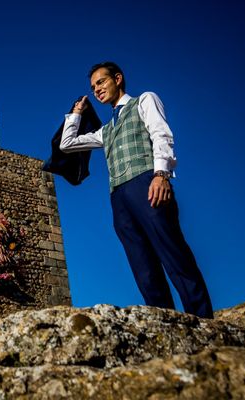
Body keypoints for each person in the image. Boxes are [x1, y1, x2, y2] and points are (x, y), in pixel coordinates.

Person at [59, 61, 213, 318]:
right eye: (93, 86)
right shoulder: (105, 130)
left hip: (147, 183)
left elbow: (161, 134)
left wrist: (161, 174)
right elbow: (68, 143)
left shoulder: (144, 100)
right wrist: (76, 113)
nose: (97, 90)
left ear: (117, 79)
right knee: (143, 268)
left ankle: (204, 320)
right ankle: (167, 325)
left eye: (101, 82)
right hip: (118, 198)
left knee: (173, 254)